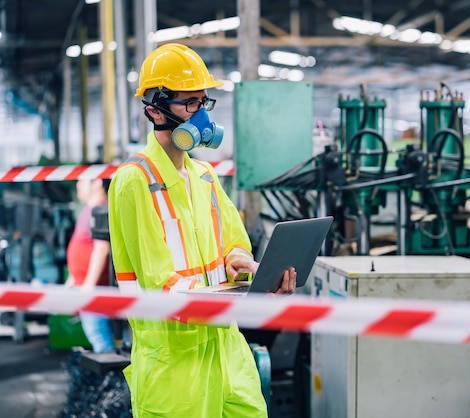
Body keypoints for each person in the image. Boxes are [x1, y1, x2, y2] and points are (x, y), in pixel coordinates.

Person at [108, 43, 296, 418]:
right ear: (154, 109)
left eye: (203, 102)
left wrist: (251, 270)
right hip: (175, 364)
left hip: (226, 348)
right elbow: (162, 285)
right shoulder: (134, 181)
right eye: (189, 103)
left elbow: (232, 245)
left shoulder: (205, 176)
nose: (200, 116)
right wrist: (242, 299)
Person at [65, 178, 115, 353]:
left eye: (82, 181)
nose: (78, 185)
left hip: (95, 288)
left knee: (99, 337)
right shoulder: (88, 208)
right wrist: (73, 276)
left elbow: (102, 249)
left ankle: (113, 377)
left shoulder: (102, 209)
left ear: (97, 183)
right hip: (84, 284)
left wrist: (88, 287)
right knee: (96, 335)